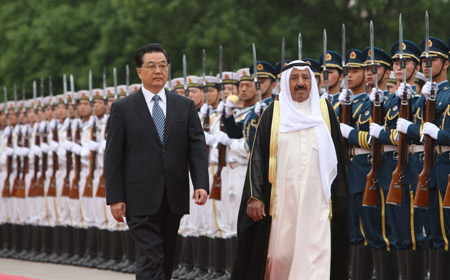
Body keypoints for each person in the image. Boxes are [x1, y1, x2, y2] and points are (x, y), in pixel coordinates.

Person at [231, 60, 349, 280]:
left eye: (305, 78)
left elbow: (338, 161)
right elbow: (257, 157)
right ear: (285, 83)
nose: (300, 83)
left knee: (315, 254)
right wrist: (255, 196)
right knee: (279, 258)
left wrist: (341, 199)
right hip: (281, 201)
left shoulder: (324, 112)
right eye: (294, 78)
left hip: (318, 200)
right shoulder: (273, 114)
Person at [104, 43, 209, 280]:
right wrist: (115, 197)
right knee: (152, 255)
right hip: (138, 197)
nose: (158, 70)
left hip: (174, 194)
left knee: (166, 256)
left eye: (163, 65)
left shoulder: (185, 106)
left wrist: (201, 182)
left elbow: (196, 147)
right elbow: (113, 157)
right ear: (140, 72)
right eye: (151, 66)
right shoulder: (123, 108)